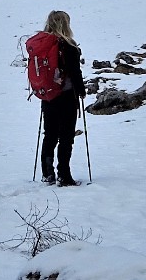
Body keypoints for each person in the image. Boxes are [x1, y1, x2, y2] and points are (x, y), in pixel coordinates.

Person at [38, 10, 85, 186]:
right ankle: (64, 175)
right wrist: (81, 91)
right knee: (66, 136)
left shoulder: (42, 45)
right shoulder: (69, 46)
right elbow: (75, 72)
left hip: (48, 95)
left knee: (49, 134)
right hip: (66, 96)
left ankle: (47, 173)